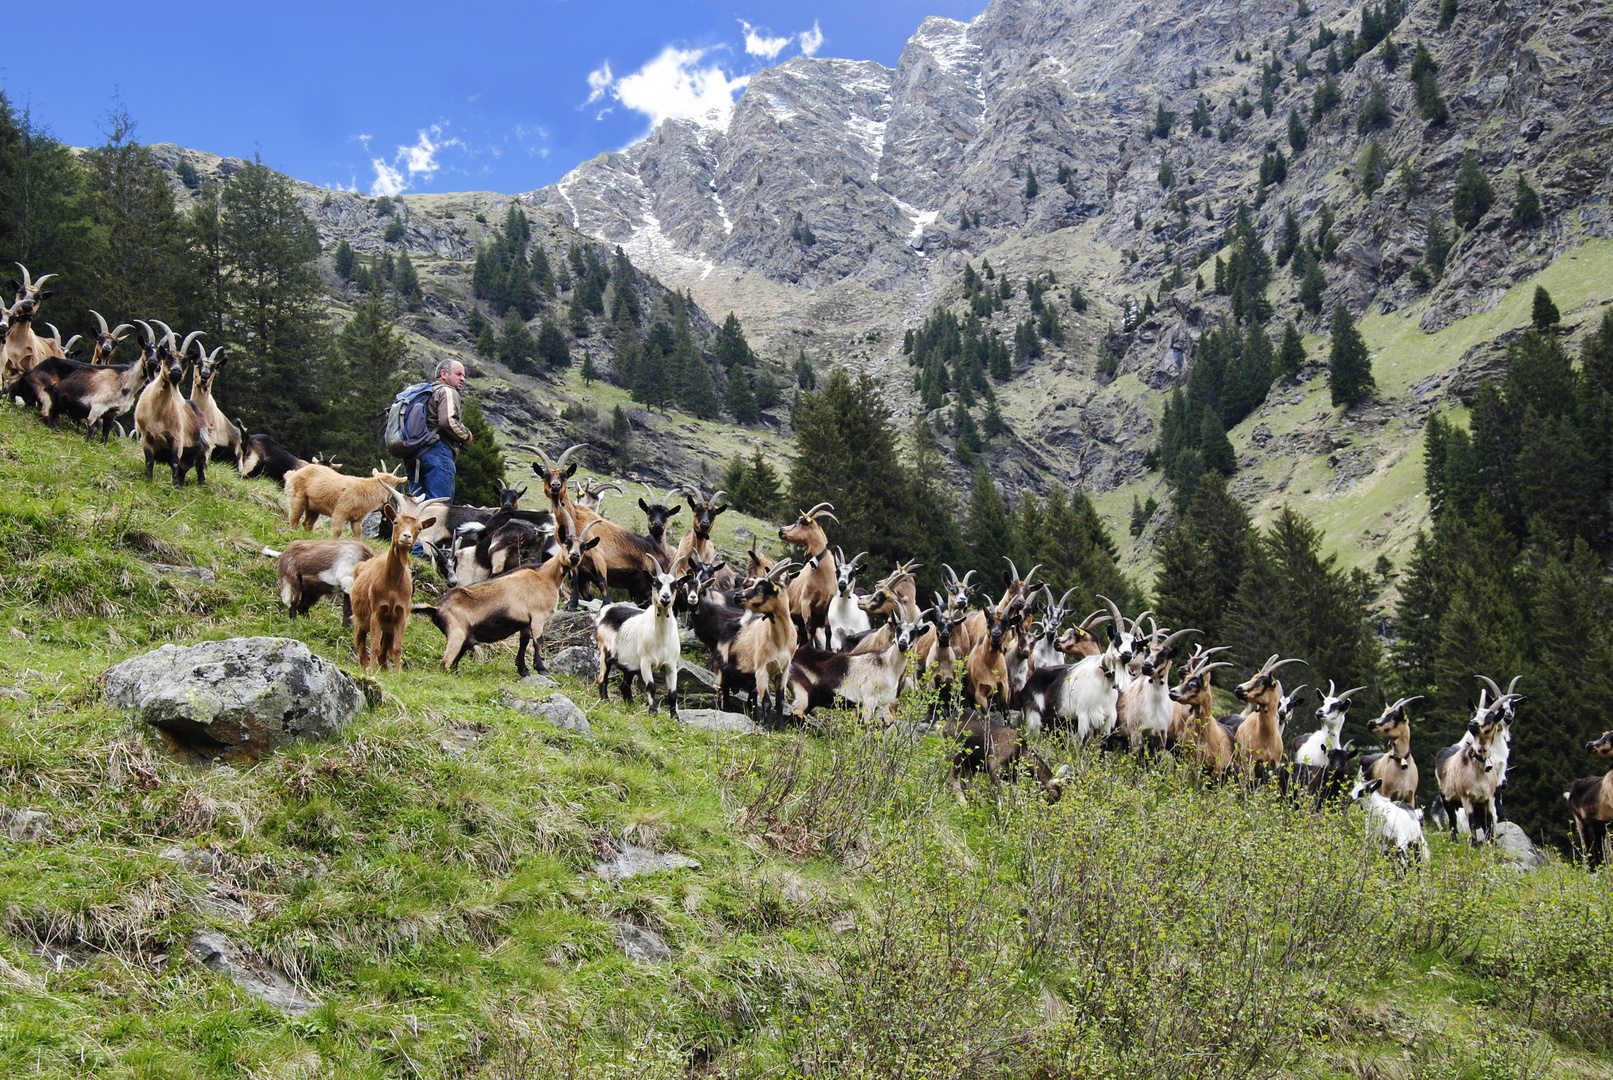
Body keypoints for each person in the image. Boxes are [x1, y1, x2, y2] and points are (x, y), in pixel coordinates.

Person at [411, 358, 473, 503]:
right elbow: (447, 421)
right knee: (440, 507)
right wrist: (466, 436)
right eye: (458, 374)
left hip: (415, 454)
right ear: (444, 374)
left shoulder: (427, 393)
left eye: (463, 375)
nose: (462, 379)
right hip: (438, 451)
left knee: (415, 507)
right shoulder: (447, 391)